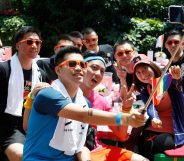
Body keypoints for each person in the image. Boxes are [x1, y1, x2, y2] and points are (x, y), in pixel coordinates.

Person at [22, 46, 146, 161]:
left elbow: (81, 145)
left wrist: (126, 109)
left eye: (82, 64)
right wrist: (125, 118)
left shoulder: (85, 102)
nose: (78, 68)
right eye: (72, 64)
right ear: (58, 70)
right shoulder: (48, 94)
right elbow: (83, 115)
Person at [80, 52, 149, 161]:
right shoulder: (63, 94)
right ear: (81, 68)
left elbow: (121, 135)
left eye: (102, 71)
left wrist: (126, 109)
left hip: (95, 149)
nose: (98, 73)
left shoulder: (101, 101)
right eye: (94, 68)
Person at [0, 26, 48, 161]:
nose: (34, 46)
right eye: (29, 42)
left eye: (38, 43)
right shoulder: (4, 70)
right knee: (25, 157)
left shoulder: (40, 74)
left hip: (32, 125)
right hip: (7, 127)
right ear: (18, 45)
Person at [131, 54, 184, 161]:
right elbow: (151, 107)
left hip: (174, 127)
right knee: (142, 146)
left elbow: (178, 88)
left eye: (145, 69)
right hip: (155, 125)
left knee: (161, 144)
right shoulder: (145, 90)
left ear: (152, 66)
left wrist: (178, 79)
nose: (143, 75)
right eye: (138, 72)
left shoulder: (168, 80)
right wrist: (154, 118)